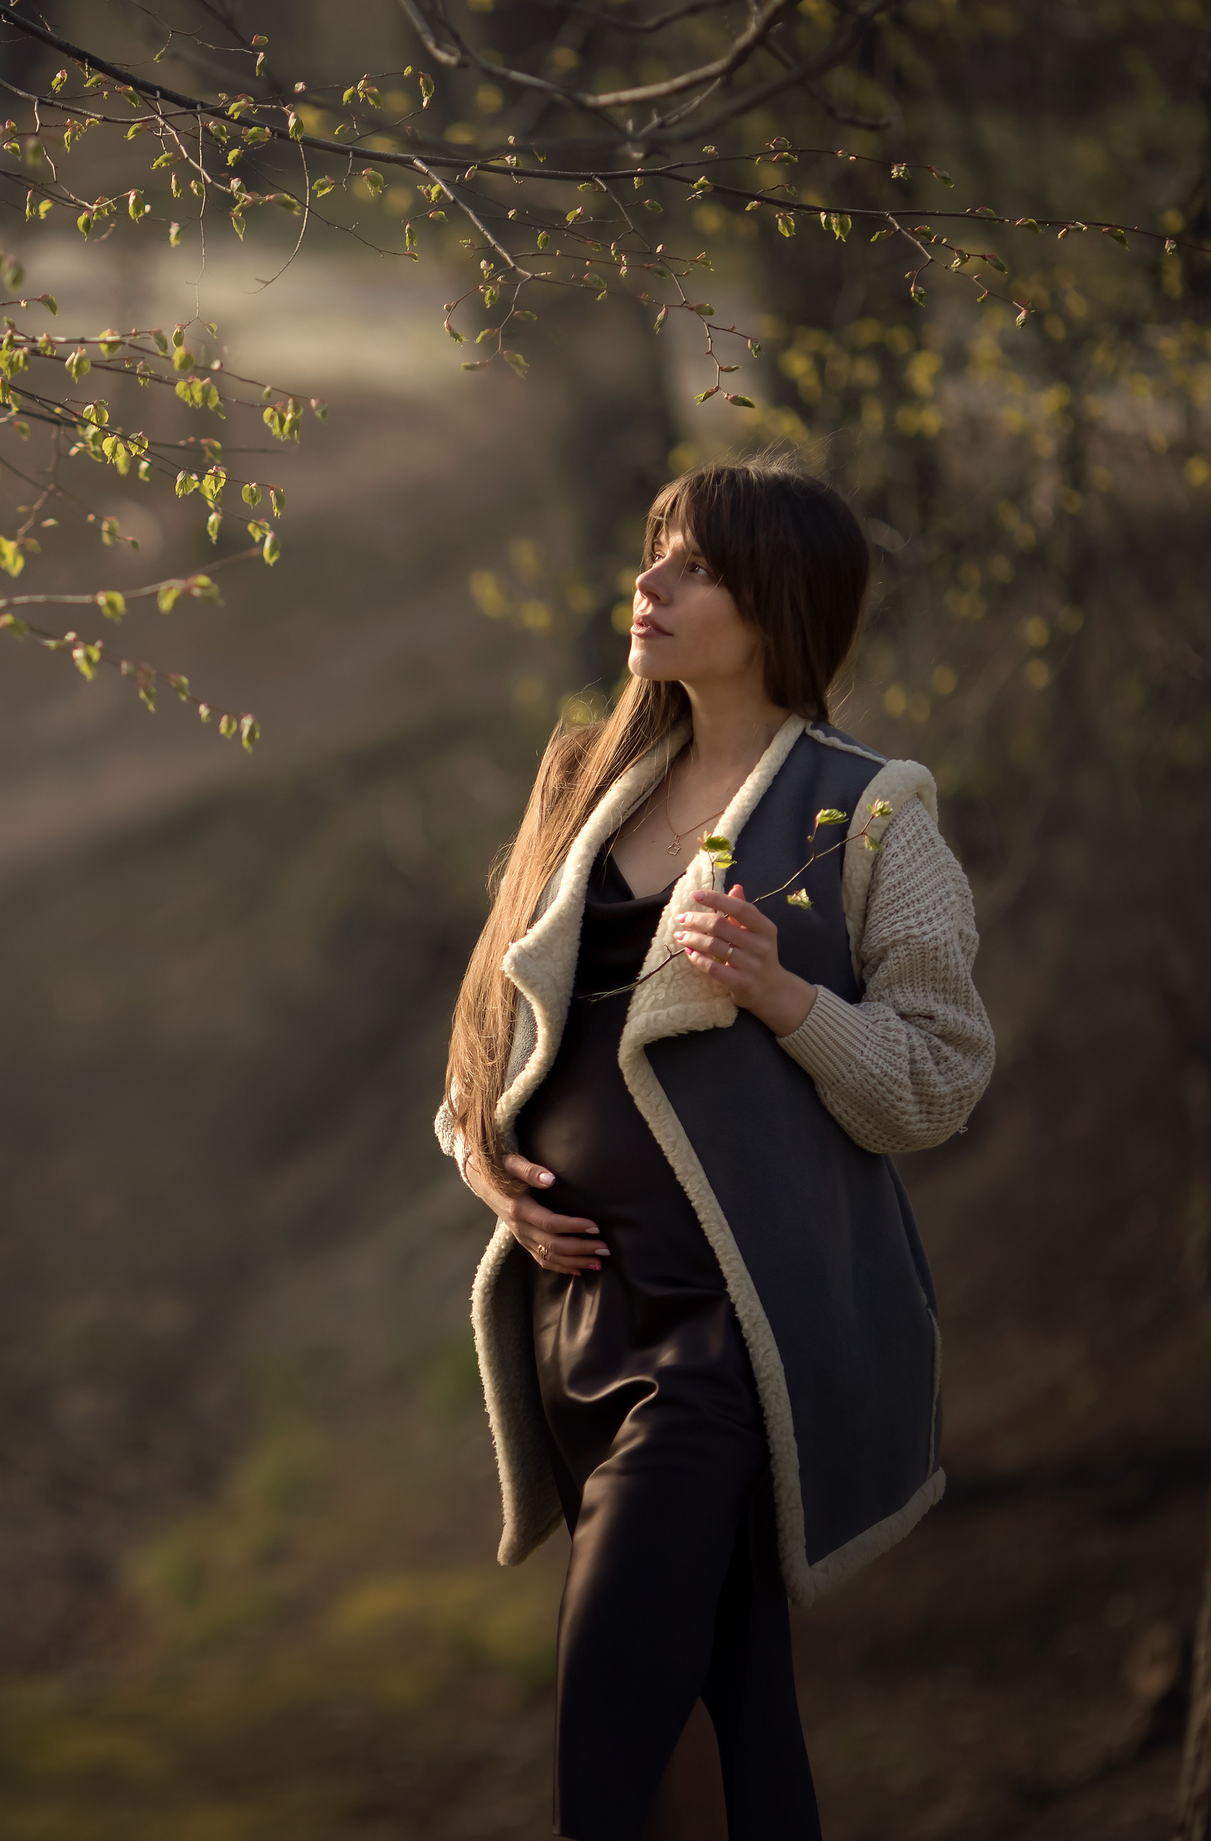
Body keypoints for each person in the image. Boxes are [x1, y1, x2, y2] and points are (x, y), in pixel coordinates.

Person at [435, 461, 994, 1841]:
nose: (651, 584)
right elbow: (487, 1051)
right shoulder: (587, 783)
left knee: (608, 1709)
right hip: (586, 1322)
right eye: (653, 554)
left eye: (691, 566)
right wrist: (488, 1169)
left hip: (730, 1344)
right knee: (730, 1707)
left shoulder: (867, 816)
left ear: (776, 606)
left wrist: (785, 995)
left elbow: (937, 1078)